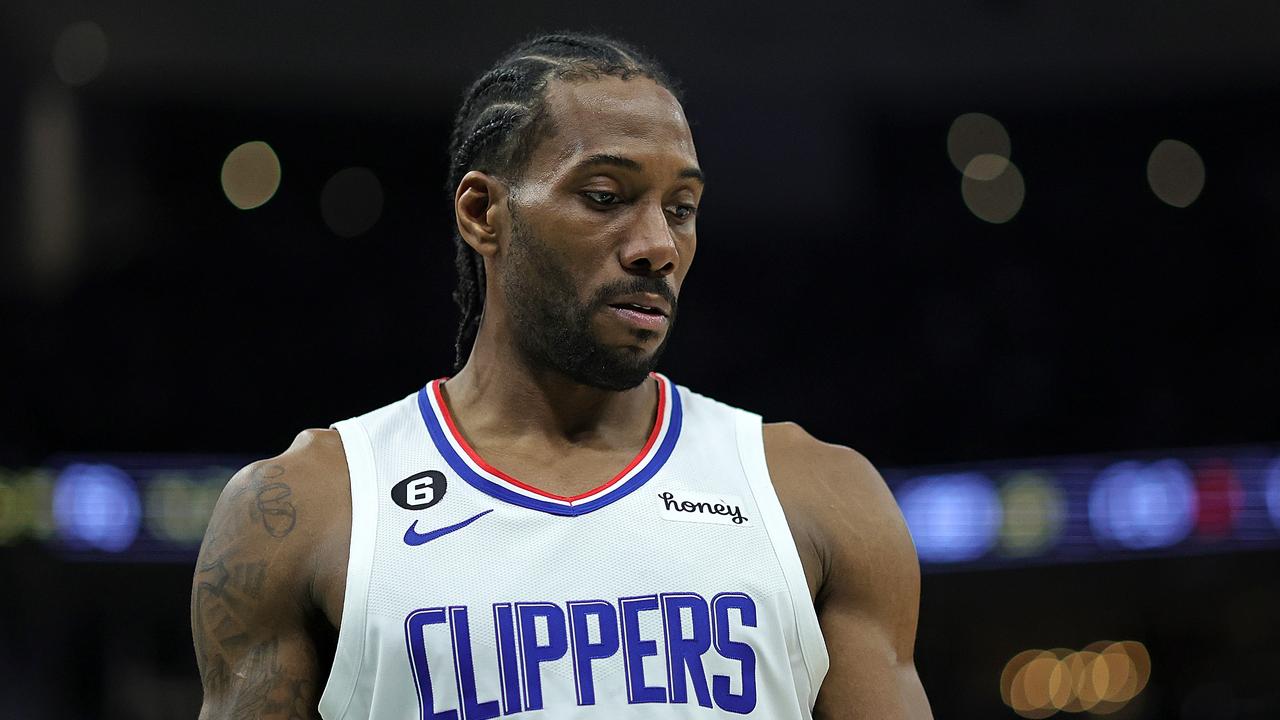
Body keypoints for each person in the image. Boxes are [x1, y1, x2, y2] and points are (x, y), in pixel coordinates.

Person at [191, 32, 932, 720]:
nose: (657, 247)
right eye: (605, 197)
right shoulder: (308, 508)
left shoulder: (819, 497)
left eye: (682, 208)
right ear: (483, 212)